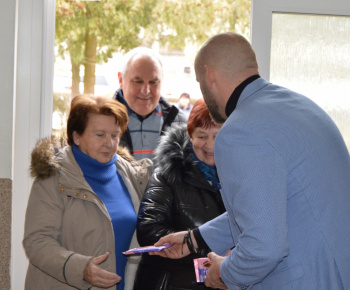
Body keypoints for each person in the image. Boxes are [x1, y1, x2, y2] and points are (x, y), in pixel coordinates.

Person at [151, 32, 350, 289]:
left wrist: (225, 273)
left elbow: (265, 247)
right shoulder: (302, 107)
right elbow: (270, 206)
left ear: (209, 76)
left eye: (200, 83)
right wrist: (194, 239)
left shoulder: (239, 131)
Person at [23, 95, 153, 290]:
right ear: (77, 136)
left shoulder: (134, 176)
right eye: (100, 135)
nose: (109, 143)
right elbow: (37, 242)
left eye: (115, 135)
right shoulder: (53, 177)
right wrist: (80, 269)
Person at [133, 98, 225, 290]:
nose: (209, 145)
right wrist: (210, 249)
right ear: (190, 135)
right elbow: (150, 231)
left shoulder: (240, 179)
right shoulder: (169, 174)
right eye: (202, 136)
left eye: (217, 136)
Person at [113, 47, 188, 161]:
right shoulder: (99, 121)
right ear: (121, 80)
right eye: (138, 81)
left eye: (153, 82)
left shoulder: (181, 124)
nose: (146, 91)